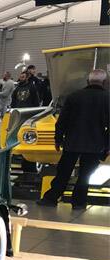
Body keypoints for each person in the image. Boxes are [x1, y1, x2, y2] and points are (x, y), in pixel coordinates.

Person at [39, 69, 109, 210]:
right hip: (95, 144)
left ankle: (51, 198)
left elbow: (62, 121)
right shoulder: (108, 98)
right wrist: (107, 145)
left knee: (63, 172)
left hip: (72, 142)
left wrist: (58, 139)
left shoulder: (74, 97)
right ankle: (79, 202)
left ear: (88, 81)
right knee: (85, 175)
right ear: (105, 82)